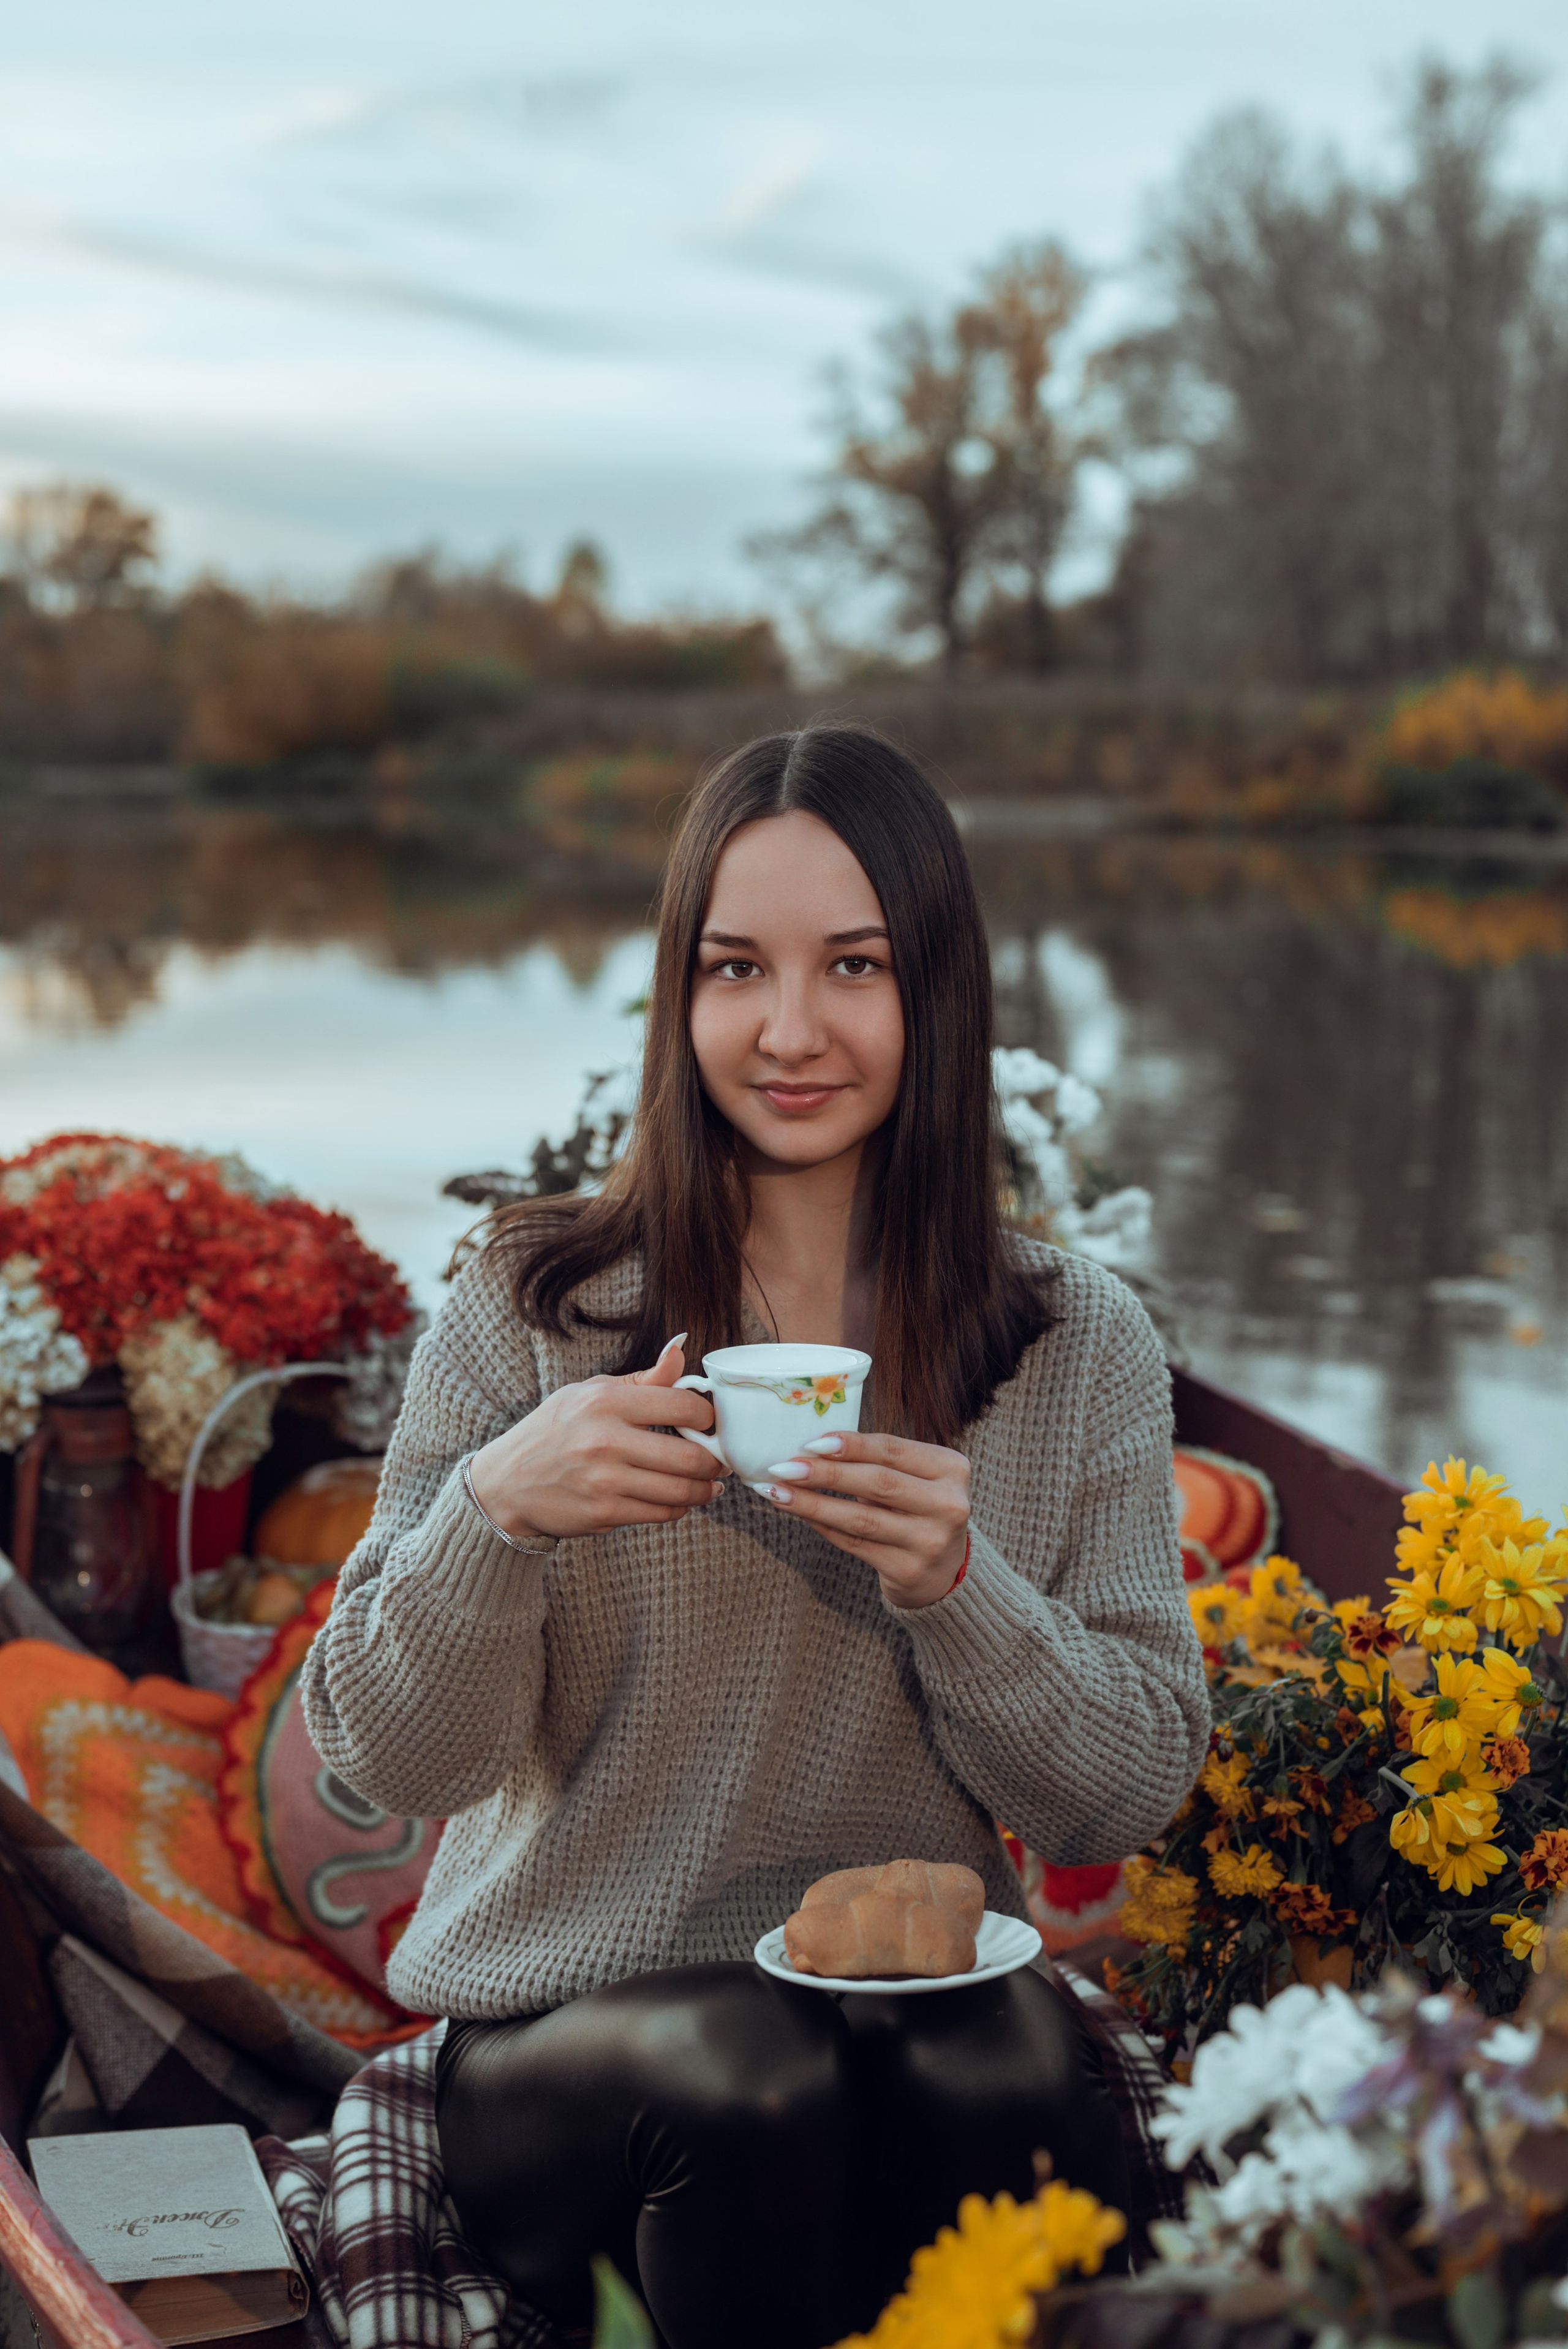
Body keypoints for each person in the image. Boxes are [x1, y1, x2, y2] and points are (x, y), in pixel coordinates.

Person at [302, 724, 1209, 2349]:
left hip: (915, 2005)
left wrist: (961, 1587)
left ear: (936, 991)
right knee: (759, 2078)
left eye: (852, 965)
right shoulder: (533, 1304)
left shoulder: (1077, 1339)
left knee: (1013, 2065)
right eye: (737, 969)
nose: (789, 1030)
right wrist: (499, 1513)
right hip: (570, 2039)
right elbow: (387, 1755)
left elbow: (1126, 1788)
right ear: (680, 994)